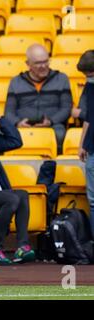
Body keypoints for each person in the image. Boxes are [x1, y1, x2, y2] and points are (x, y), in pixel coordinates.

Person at [0, 108, 36, 265]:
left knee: (22, 194)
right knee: (11, 199)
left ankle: (22, 246)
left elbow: (16, 141)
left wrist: (1, 119)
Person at [4, 44, 72, 154]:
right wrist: (17, 123)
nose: (43, 66)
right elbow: (9, 112)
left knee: (60, 134)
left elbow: (66, 108)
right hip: (23, 126)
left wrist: (51, 121)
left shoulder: (61, 79)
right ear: (28, 64)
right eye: (38, 63)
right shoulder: (16, 82)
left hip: (52, 125)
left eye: (46, 61)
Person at [78, 50, 94, 239]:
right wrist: (82, 143)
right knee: (92, 200)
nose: (88, 78)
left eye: (91, 74)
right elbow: (89, 116)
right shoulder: (90, 87)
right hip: (92, 146)